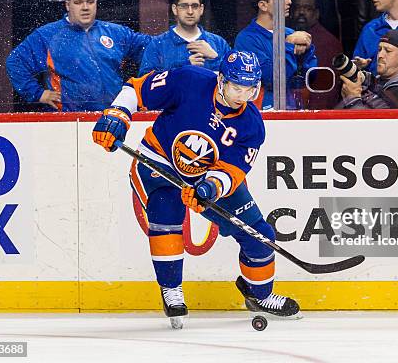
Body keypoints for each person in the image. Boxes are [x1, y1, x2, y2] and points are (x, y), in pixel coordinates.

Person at [92, 50, 301, 328]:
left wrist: (211, 188)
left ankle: (260, 295)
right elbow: (137, 89)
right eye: (236, 87)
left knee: (260, 236)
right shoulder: (189, 80)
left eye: (249, 89)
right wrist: (117, 115)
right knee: (165, 214)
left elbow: (233, 171)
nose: (242, 95)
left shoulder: (252, 125)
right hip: (160, 161)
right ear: (221, 80)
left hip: (207, 176)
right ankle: (171, 290)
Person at [6, 0, 150, 112]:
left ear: (96, 3)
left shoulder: (116, 32)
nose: (85, 7)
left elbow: (153, 49)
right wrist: (38, 94)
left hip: (112, 115)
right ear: (67, 5)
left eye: (90, 1)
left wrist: (173, 33)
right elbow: (15, 62)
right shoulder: (48, 35)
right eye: (78, 2)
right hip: (68, 119)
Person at [235, 0, 318, 110]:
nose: (289, 1)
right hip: (265, 114)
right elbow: (272, 79)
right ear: (263, 5)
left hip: (294, 108)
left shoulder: (289, 33)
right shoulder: (247, 39)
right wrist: (289, 45)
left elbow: (310, 78)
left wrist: (307, 51)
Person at [138, 0, 230, 76]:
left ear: (201, 9)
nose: (190, 11)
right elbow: (145, 81)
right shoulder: (158, 44)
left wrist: (215, 58)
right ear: (174, 9)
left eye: (194, 6)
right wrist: (185, 67)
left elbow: (236, 80)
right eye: (184, 6)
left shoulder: (219, 43)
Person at [339, 29, 398, 109]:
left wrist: (353, 98)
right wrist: (354, 72)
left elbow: (376, 120)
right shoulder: (381, 81)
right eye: (379, 49)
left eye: (388, 51)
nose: (380, 55)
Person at [291, 0, 344, 108]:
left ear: (316, 14)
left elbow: (325, 89)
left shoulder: (328, 42)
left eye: (307, 8)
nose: (301, 12)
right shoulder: (286, 36)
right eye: (297, 7)